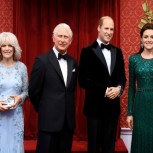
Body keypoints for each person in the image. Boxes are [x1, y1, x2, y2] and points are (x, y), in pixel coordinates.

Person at [78, 16, 126, 153]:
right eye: (106, 28)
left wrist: (119, 89)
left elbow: (122, 78)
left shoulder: (118, 51)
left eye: (112, 29)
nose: (109, 32)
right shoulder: (87, 51)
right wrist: (105, 90)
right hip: (94, 108)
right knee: (94, 147)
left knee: (109, 147)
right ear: (99, 28)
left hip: (113, 108)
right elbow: (82, 80)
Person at [28, 23, 78, 153]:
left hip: (67, 124)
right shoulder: (42, 61)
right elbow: (33, 91)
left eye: (66, 37)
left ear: (70, 41)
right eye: (59, 36)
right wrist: (45, 109)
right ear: (53, 38)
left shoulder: (73, 62)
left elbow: (71, 91)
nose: (62, 40)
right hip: (48, 122)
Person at [127, 23, 153, 153]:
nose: (149, 39)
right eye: (146, 36)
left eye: (152, 37)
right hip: (140, 104)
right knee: (141, 138)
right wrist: (129, 113)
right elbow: (131, 88)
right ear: (141, 39)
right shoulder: (134, 59)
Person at [0, 32, 28, 153]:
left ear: (14, 48)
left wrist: (19, 98)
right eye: (4, 45)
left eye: (10, 45)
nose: (7, 48)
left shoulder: (22, 67)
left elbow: (26, 91)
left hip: (16, 116)